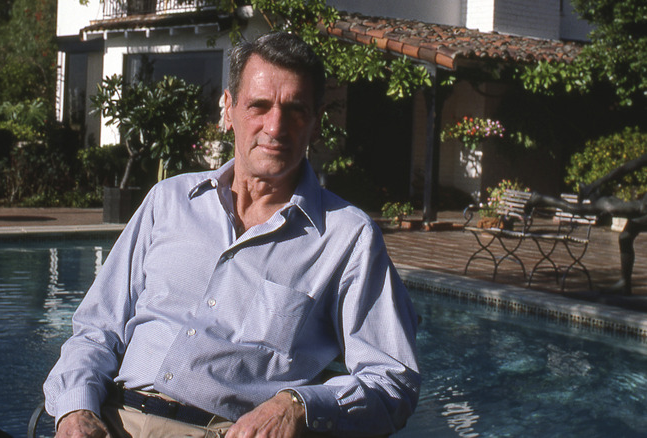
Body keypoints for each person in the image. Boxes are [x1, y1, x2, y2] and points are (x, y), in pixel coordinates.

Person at [44, 32, 420, 438]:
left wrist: (298, 405)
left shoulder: (347, 238)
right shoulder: (169, 201)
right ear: (228, 109)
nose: (275, 127)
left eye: (295, 110)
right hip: (112, 419)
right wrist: (74, 410)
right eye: (259, 105)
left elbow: (391, 381)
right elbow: (97, 329)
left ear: (315, 122)